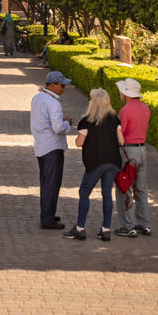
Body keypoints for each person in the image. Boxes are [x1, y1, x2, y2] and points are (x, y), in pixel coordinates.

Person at [64, 88, 124, 242]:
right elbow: (122, 141)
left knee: (84, 192)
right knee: (107, 195)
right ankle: (105, 230)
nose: (89, 101)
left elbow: (79, 143)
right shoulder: (114, 119)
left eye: (90, 99)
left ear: (94, 102)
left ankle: (80, 228)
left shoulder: (87, 121)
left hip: (95, 162)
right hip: (112, 161)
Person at [31, 70, 72, 229]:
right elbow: (58, 128)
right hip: (53, 147)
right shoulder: (53, 103)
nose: (64, 88)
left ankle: (47, 214)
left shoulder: (37, 98)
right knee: (52, 184)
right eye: (62, 85)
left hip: (41, 145)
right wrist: (67, 124)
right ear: (53, 85)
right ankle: (47, 218)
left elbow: (43, 120)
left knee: (46, 182)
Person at [114, 78, 152, 237]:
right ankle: (144, 224)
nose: (119, 93)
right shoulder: (145, 108)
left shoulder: (125, 110)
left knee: (125, 188)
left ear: (126, 93)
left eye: (121, 91)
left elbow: (120, 134)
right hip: (142, 150)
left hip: (128, 152)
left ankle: (128, 226)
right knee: (141, 189)